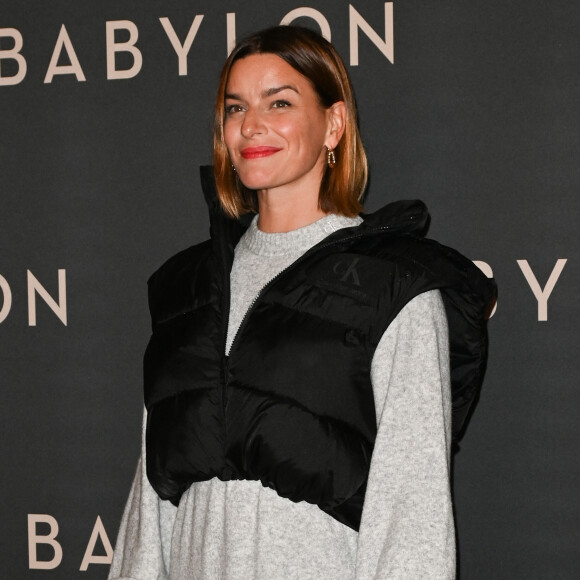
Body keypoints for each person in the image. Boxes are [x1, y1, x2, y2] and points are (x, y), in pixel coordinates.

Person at [108, 25, 496, 580]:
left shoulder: (394, 285)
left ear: (333, 124)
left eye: (280, 102)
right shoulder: (187, 287)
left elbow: (412, 515)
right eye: (235, 106)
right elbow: (152, 501)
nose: (251, 125)